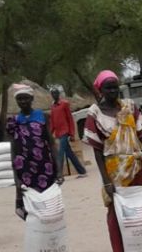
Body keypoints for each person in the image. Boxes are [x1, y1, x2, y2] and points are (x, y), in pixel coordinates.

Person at [83, 70, 142, 252]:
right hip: (115, 176)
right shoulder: (94, 114)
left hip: (137, 170)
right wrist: (106, 182)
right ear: (100, 89)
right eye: (108, 87)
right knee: (120, 219)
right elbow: (97, 151)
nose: (113, 90)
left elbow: (141, 138)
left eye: (115, 86)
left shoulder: (130, 107)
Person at [9, 83, 61, 220]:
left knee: (49, 204)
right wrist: (16, 178)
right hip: (25, 170)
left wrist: (59, 170)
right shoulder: (14, 121)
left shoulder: (42, 116)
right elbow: (13, 151)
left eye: (26, 98)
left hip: (45, 167)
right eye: (20, 99)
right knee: (32, 209)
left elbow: (51, 143)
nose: (23, 101)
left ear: (32, 99)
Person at [49, 88, 87, 178]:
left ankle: (59, 174)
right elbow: (53, 122)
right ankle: (82, 171)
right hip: (58, 133)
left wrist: (72, 133)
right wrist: (50, 133)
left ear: (58, 94)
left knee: (60, 153)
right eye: (53, 93)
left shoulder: (64, 104)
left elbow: (70, 119)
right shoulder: (52, 107)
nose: (54, 95)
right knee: (69, 153)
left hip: (65, 131)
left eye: (56, 93)